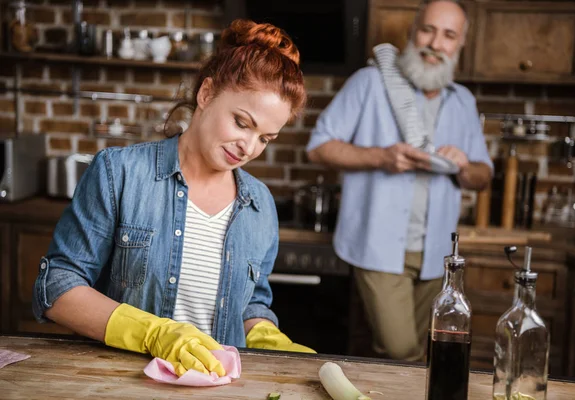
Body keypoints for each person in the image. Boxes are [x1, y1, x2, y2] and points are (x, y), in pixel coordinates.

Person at [32, 19, 314, 378]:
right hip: (124, 384)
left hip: (219, 387)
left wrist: (271, 339)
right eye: (242, 123)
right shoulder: (120, 173)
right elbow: (57, 286)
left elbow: (250, 304)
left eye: (265, 138)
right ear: (207, 94)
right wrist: (155, 333)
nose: (249, 147)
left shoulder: (260, 204)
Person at [306, 0, 493, 361]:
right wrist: (381, 157)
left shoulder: (463, 102)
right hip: (377, 247)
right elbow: (318, 148)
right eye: (428, 30)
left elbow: (483, 176)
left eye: (449, 35)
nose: (436, 43)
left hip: (437, 253)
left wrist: (464, 165)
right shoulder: (369, 83)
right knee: (401, 351)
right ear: (412, 32)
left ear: (460, 45)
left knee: (426, 352)